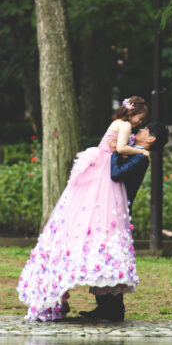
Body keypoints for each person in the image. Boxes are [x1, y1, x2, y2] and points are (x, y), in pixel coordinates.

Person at [17, 96, 150, 322]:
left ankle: (105, 303)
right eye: (140, 117)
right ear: (133, 113)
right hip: (105, 168)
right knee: (103, 209)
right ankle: (107, 304)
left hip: (98, 162)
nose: (139, 122)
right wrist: (142, 152)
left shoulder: (117, 123)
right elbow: (120, 147)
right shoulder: (126, 125)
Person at [78, 121, 169, 322]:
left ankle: (113, 309)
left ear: (151, 138)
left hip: (116, 210)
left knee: (110, 255)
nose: (139, 130)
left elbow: (116, 173)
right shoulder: (137, 154)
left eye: (144, 130)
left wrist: (115, 152)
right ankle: (105, 307)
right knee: (103, 255)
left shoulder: (140, 159)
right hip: (109, 207)